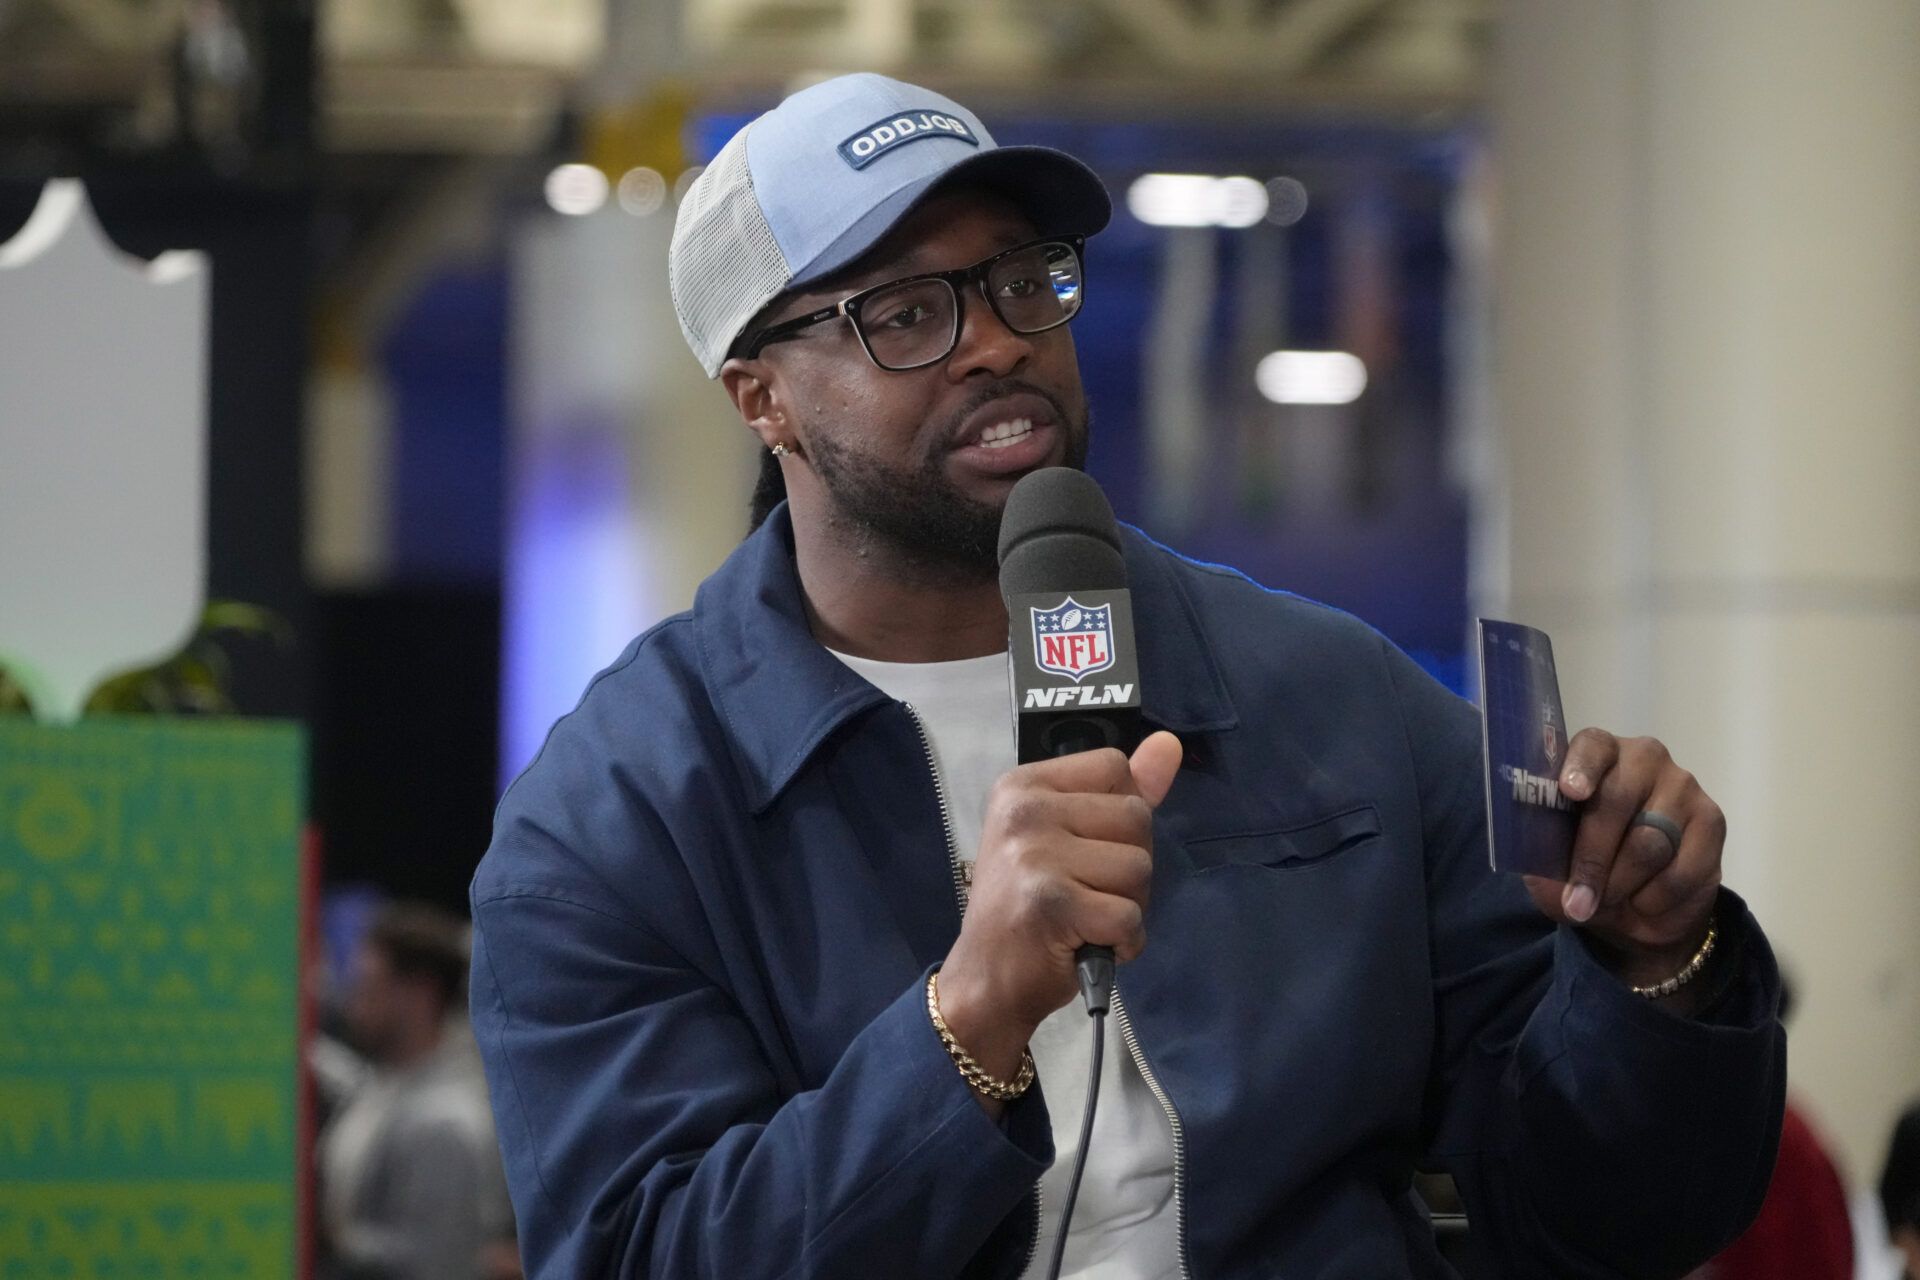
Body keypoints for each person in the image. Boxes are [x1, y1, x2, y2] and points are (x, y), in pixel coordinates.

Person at [468, 73, 1786, 1278]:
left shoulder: (1335, 702)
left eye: (1019, 282)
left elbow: (1612, 1212)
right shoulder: (614, 818)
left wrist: (1652, 969)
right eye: (910, 313)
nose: (994, 342)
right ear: (763, 400)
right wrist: (965, 1027)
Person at [320, 901, 518, 1280]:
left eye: (370, 987)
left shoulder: (444, 1121)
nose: (355, 1005)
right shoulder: (382, 1085)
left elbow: (436, 1265)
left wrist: (329, 1242)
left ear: (419, 993)